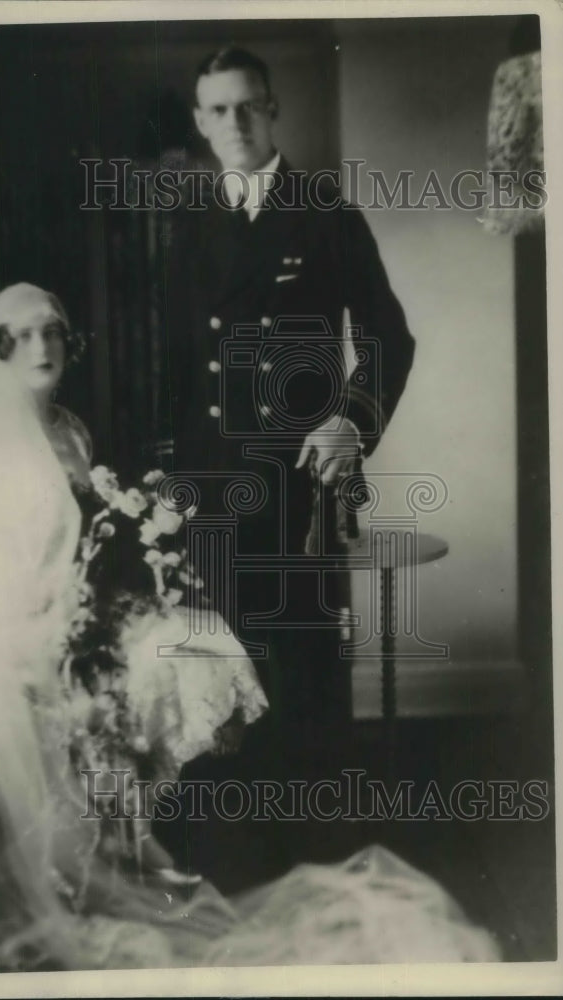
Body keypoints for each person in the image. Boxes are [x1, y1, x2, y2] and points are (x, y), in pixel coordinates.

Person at [0, 283, 498, 972]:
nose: (40, 348)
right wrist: (63, 638)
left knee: (205, 648)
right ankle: (90, 869)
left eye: (51, 331)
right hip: (17, 648)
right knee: (135, 695)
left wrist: (125, 599)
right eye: (18, 338)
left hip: (78, 624)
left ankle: (132, 852)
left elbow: (91, 544)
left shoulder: (69, 431)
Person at [157, 46, 416, 753]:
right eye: (218, 109)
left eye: (248, 105)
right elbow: (174, 366)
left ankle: (316, 837)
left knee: (303, 673)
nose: (234, 121)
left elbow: (388, 337)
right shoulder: (189, 223)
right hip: (209, 486)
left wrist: (350, 422)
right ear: (200, 122)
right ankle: (239, 855)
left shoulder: (325, 213)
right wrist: (166, 480)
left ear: (271, 110)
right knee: (222, 681)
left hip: (296, 486)